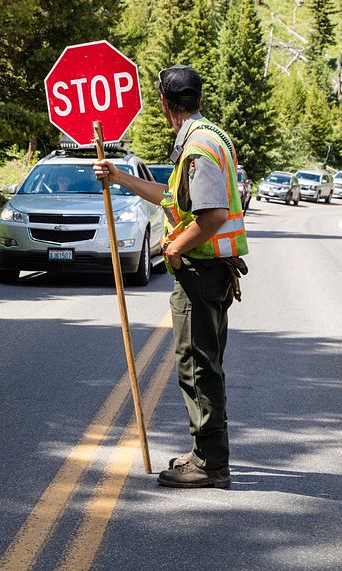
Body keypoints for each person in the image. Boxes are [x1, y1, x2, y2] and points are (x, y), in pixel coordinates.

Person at [93, 65, 248, 489]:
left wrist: (173, 249)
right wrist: (121, 177)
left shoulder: (197, 149)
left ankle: (211, 464)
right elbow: (171, 199)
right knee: (202, 364)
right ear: (196, 99)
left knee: (198, 368)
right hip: (210, 271)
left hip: (201, 272)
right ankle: (205, 452)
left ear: (165, 103)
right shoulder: (208, 136)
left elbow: (212, 214)